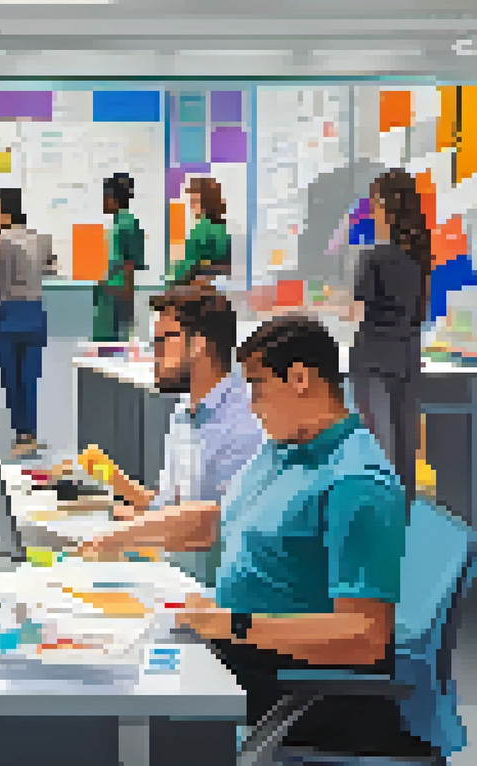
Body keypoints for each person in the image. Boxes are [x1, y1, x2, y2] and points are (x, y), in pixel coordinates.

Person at [122, 314, 429, 758]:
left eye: (259, 387)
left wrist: (233, 625)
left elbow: (364, 636)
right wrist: (120, 537)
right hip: (238, 644)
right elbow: (217, 519)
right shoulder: (285, 447)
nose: (253, 404)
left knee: (134, 695)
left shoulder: (356, 483)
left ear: (300, 379)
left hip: (286, 681)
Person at [62, 285, 265, 584]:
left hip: (216, 591)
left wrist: (126, 535)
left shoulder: (244, 421)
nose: (152, 354)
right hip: (174, 575)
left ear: (197, 345)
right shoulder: (185, 409)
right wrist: (116, 483)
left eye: (160, 341)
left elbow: (217, 526)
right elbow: (169, 507)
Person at [348, 168, 433, 506]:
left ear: (384, 207)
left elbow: (355, 313)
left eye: (374, 204)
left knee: (374, 450)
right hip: (406, 359)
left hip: (372, 360)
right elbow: (416, 316)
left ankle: (378, 531)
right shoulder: (419, 259)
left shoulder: (373, 257)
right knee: (402, 450)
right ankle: (403, 531)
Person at [0, 188, 58, 459]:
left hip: (8, 315)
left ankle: (20, 436)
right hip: (35, 314)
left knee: (11, 379)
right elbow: (51, 269)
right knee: (30, 378)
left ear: (2, 209)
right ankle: (30, 434)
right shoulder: (41, 239)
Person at [93, 173, 145, 342]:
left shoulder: (127, 223)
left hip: (117, 293)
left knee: (112, 343)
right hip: (110, 291)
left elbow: (130, 263)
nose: (102, 201)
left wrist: (127, 299)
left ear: (113, 198)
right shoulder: (118, 222)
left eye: (104, 196)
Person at [171, 176, 231, 287]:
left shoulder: (201, 231)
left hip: (197, 292)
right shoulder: (225, 230)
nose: (191, 206)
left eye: (194, 201)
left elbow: (185, 271)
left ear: (204, 202)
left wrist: (170, 281)